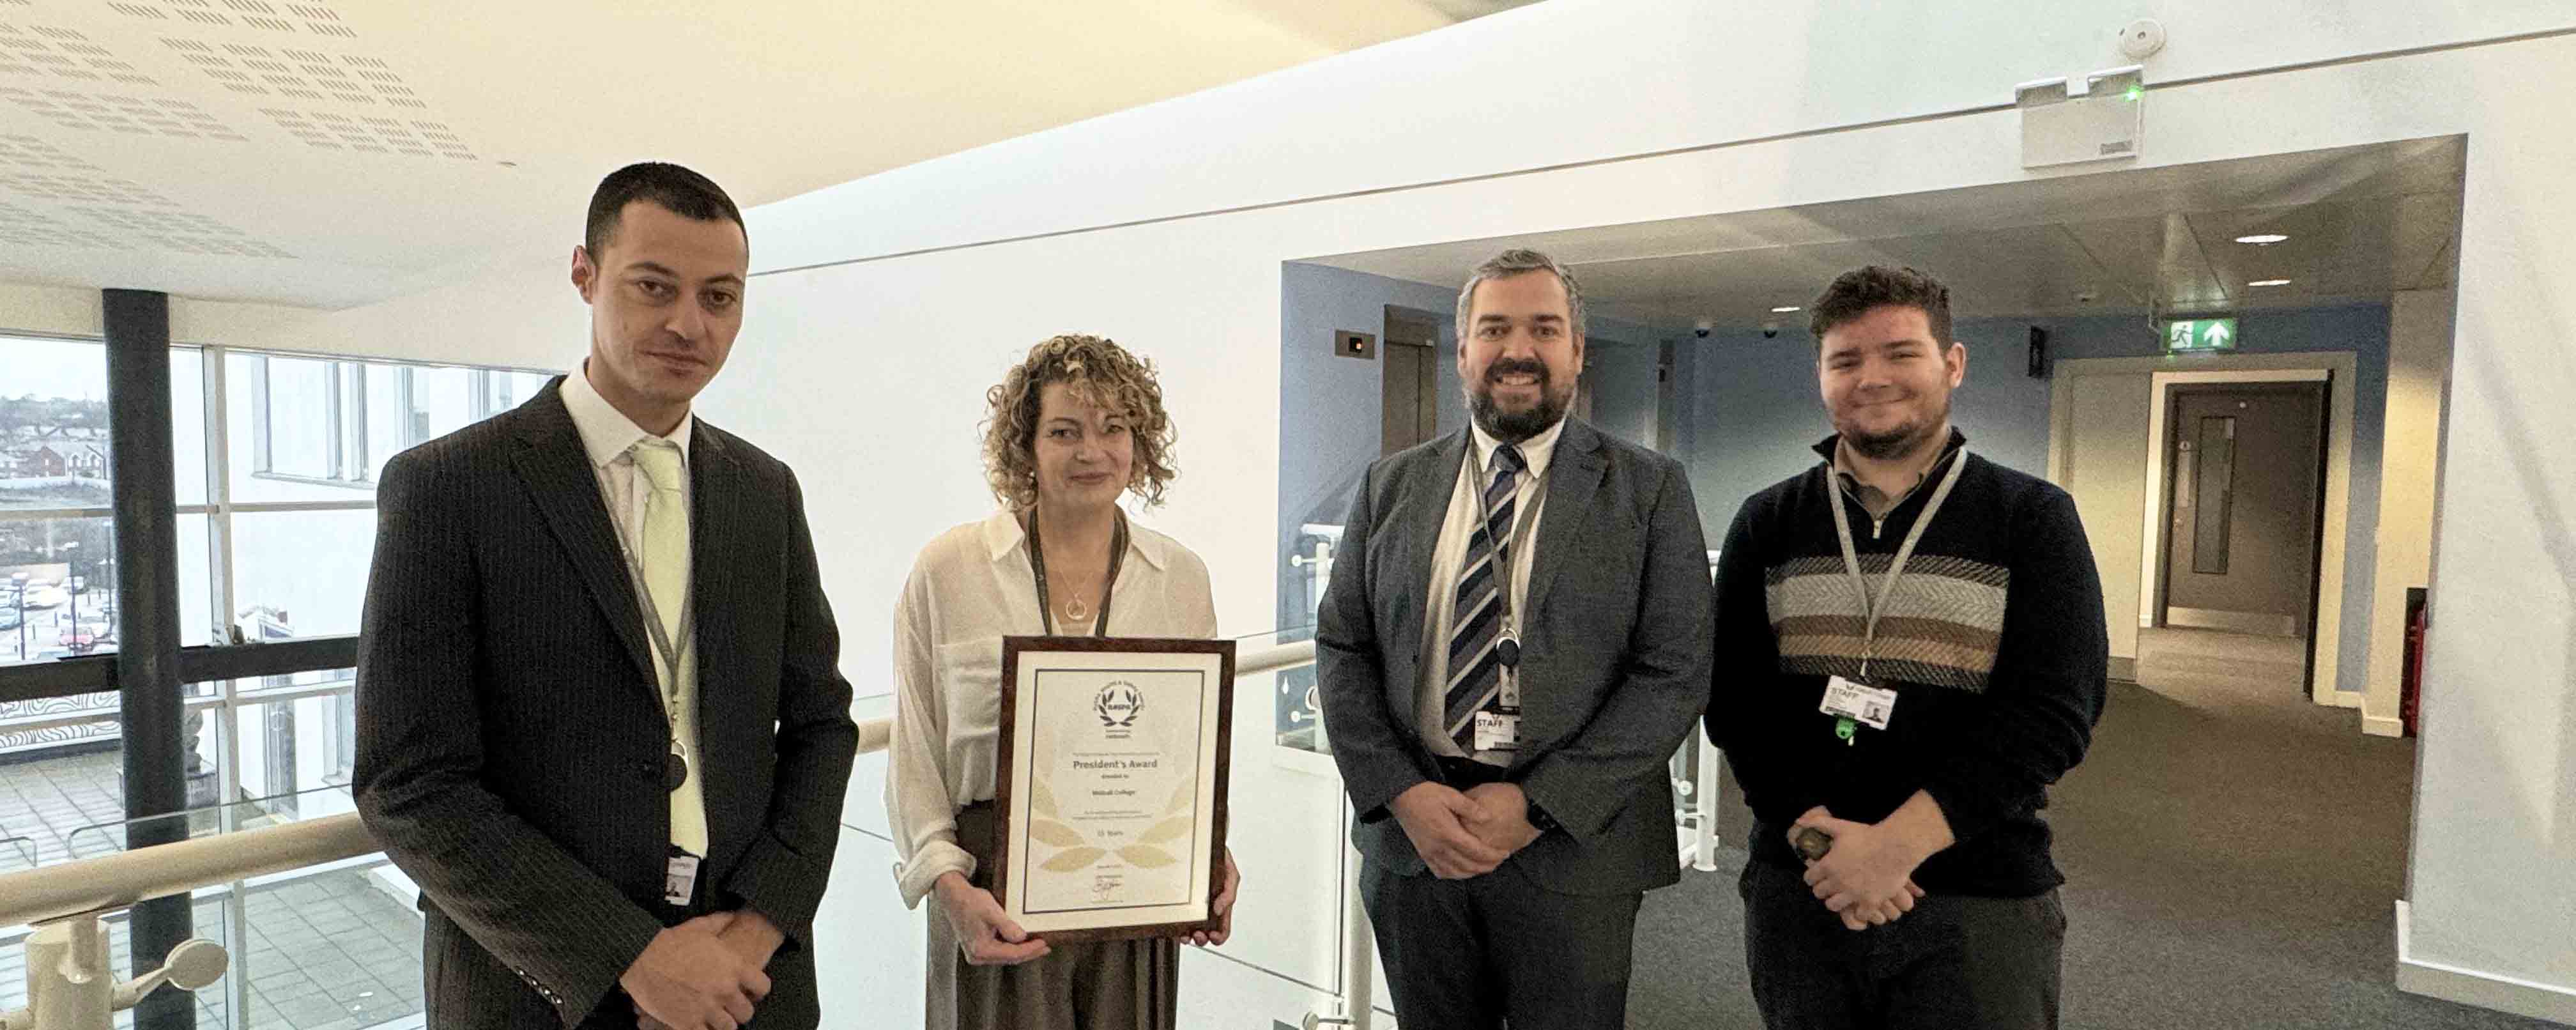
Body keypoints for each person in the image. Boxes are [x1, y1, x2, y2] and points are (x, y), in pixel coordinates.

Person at [354, 162, 859, 1030]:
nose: (687, 323)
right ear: (585, 274)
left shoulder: (764, 490)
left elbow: (820, 722)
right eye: (653, 286)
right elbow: (409, 781)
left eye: (720, 297)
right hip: (542, 987)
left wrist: (760, 924)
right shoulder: (450, 488)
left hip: (748, 981)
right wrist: (629, 954)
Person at [1315, 249, 1712, 1029]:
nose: (1518, 350)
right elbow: (1343, 648)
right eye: (1494, 328)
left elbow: (1675, 671)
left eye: (1544, 328)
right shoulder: (1390, 485)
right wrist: (1402, 793)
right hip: (1415, 849)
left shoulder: (1648, 487)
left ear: (1577, 350)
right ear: (1463, 350)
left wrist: (1536, 807)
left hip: (1574, 852)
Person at [1708, 265, 2108, 1029]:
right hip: (1803, 887)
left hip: (1977, 893)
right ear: (1822, 375)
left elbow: (2054, 714)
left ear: (1951, 364)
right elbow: (1737, 704)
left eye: (1900, 353)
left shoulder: (2032, 518)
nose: (1873, 378)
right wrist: (1822, 842)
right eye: (1846, 360)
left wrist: (1895, 849)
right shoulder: (1769, 522)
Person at [886, 334, 1241, 1030]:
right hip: (993, 885)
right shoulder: (952, 568)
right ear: (1026, 445)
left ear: (1140, 443)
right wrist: (950, 887)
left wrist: (1210, 853)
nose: (1093, 451)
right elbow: (916, 752)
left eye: (1115, 429)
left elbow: (1190, 751)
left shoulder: (1180, 578)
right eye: (1065, 431)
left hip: (1136, 881)